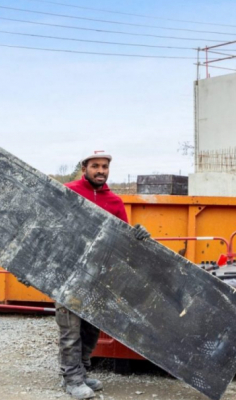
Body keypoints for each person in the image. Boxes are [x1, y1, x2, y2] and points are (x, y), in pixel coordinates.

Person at [58, 151, 150, 399]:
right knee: (70, 330)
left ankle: (83, 372)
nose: (101, 170)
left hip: (99, 277)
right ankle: (72, 379)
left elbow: (123, 243)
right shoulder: (68, 192)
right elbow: (51, 229)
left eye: (105, 166)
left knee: (90, 330)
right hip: (69, 274)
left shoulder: (115, 202)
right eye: (95, 166)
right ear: (84, 167)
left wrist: (138, 234)